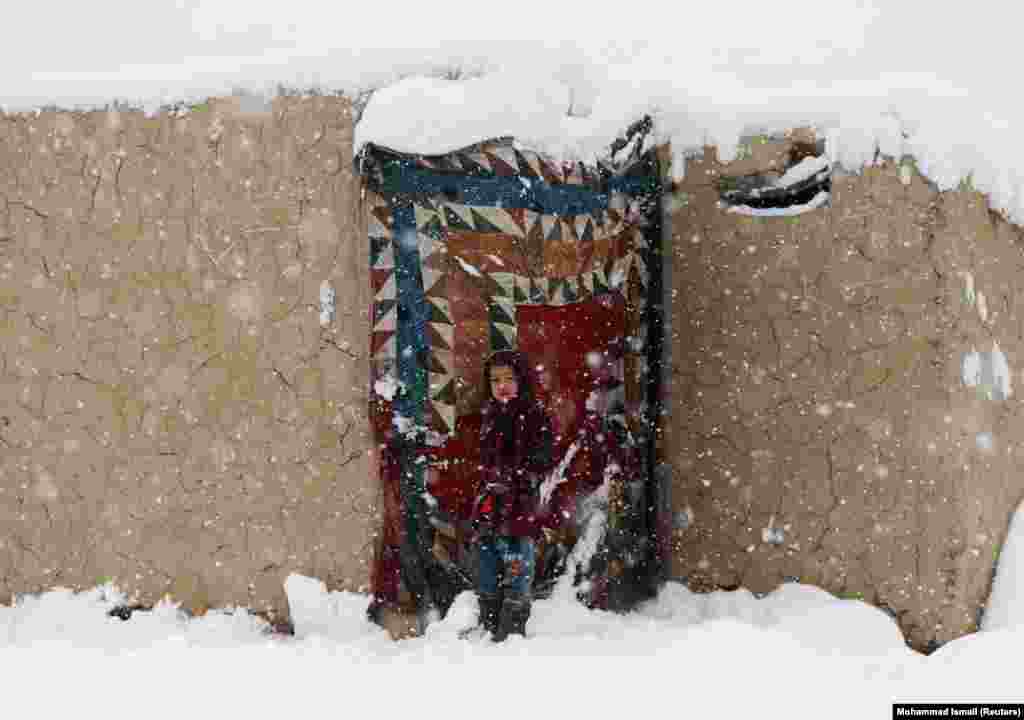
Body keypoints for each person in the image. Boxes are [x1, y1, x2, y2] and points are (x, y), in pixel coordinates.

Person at [472, 349, 555, 641]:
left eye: (509, 378)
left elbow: (543, 458)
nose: (502, 385)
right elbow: (483, 461)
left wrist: (519, 475)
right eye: (495, 380)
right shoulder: (489, 416)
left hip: (519, 511)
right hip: (490, 511)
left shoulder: (533, 416)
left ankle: (513, 628)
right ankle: (488, 622)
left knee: (517, 566)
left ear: (522, 381)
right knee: (487, 566)